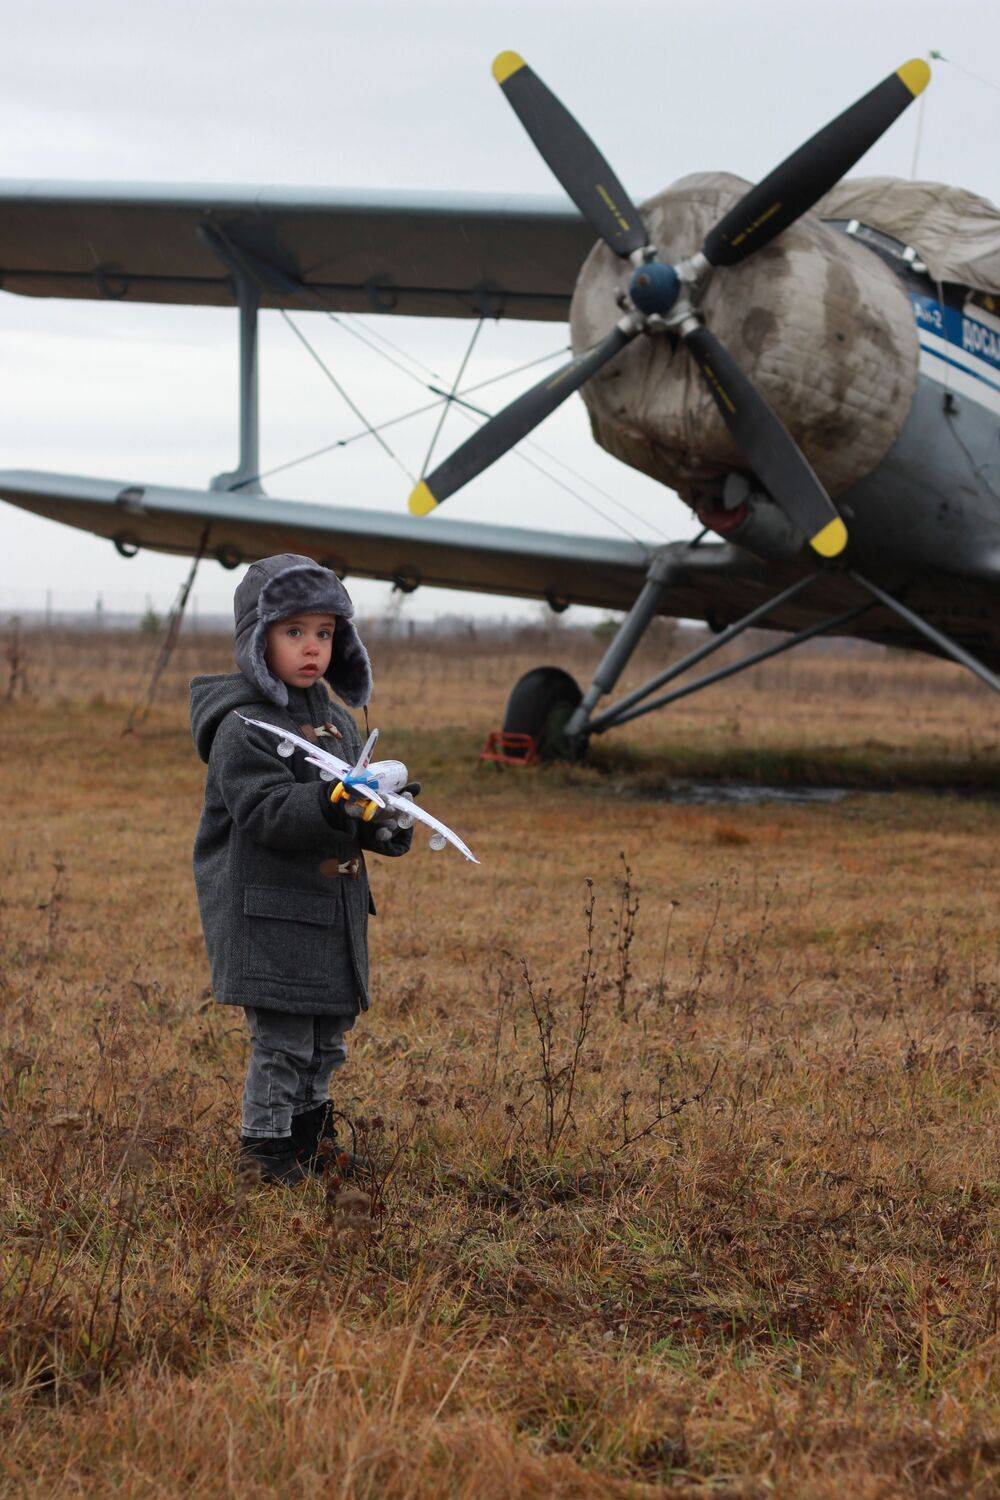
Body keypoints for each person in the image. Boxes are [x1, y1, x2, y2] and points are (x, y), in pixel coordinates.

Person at [189, 554, 413, 1185]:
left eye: (325, 632)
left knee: (326, 1037)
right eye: (294, 632)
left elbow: (345, 811)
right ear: (257, 639)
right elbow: (263, 810)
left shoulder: (337, 722)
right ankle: (265, 1151)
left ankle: (309, 1139)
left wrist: (382, 821)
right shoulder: (244, 726)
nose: (313, 647)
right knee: (283, 1039)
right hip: (271, 913)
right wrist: (331, 802)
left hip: (329, 915)